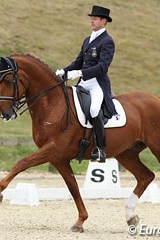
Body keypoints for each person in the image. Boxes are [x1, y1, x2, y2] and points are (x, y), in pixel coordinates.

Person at [56, 5, 117, 163]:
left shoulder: (107, 41)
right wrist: (63, 71)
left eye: (95, 19)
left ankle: (101, 149)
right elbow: (78, 62)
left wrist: (82, 73)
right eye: (91, 18)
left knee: (94, 109)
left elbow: (103, 67)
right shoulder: (87, 39)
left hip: (97, 83)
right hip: (84, 83)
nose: (92, 21)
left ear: (104, 21)